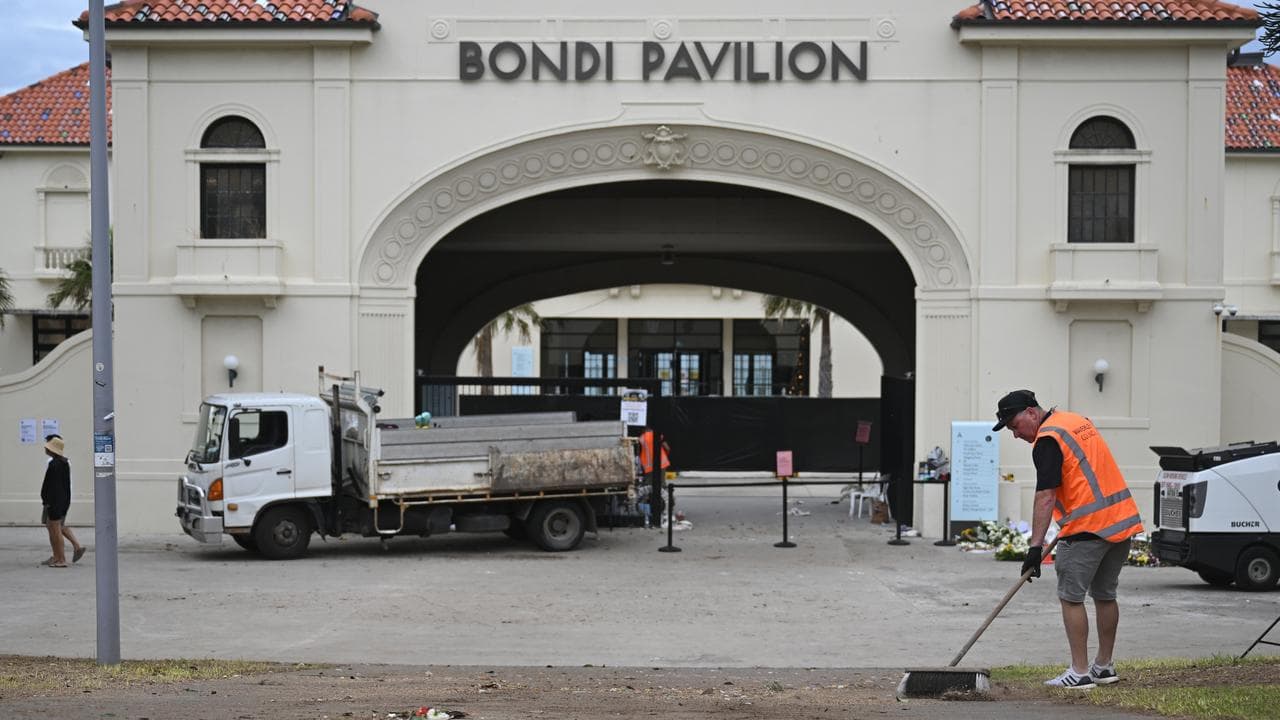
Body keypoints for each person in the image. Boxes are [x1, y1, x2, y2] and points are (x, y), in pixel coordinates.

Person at [992, 389, 1143, 690]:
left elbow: (1046, 495)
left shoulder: (1047, 440)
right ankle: (1103, 666)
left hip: (1087, 529)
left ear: (1032, 413)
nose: (1015, 434)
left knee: (1071, 598)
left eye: (1014, 426)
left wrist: (1034, 548)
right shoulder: (1075, 421)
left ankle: (1080, 671)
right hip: (1119, 522)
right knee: (1104, 594)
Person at [40, 436, 84, 567]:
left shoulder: (54, 465)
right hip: (61, 500)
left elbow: (52, 485)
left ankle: (61, 559)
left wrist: (47, 500)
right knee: (55, 528)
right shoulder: (64, 463)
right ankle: (59, 557)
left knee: (56, 530)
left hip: (54, 501)